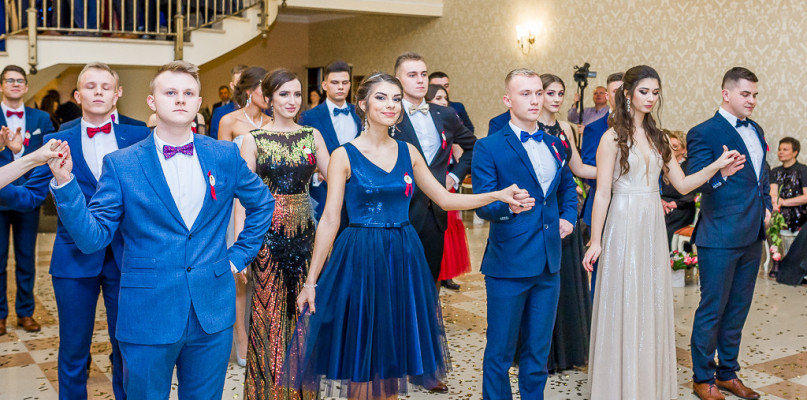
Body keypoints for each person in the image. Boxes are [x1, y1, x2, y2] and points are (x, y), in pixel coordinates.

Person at [288, 71, 528, 400]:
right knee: (362, 354)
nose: (391, 105)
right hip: (360, 255)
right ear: (363, 104)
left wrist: (497, 195)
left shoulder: (409, 152)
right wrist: (311, 281)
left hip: (402, 255)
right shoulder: (344, 154)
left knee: (392, 353)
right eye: (381, 97)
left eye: (396, 99)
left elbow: (445, 199)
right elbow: (330, 218)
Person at [47, 60, 274, 399]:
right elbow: (92, 238)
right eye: (170, 92)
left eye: (188, 93)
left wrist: (237, 256)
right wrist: (65, 184)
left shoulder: (224, 154)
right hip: (147, 313)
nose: (180, 99)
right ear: (152, 102)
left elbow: (263, 203)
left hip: (211, 311)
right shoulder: (122, 164)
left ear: (198, 103)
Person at [582, 65, 745, 400]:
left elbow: (682, 184)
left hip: (652, 224)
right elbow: (602, 193)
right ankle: (619, 386)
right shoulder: (611, 138)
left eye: (655, 92)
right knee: (624, 298)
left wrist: (717, 167)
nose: (651, 98)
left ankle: (645, 384)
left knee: (650, 299)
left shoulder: (658, 138)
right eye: (644, 91)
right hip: (623, 220)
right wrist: (596, 240)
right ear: (628, 94)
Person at [0, 62, 151, 399]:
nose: (98, 92)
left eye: (105, 87)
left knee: (126, 348)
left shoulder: (139, 136)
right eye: (90, 86)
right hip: (73, 258)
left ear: (117, 94)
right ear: (78, 95)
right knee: (73, 351)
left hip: (127, 257)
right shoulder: (57, 140)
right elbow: (31, 195)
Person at [473, 68, 578, 400]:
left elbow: (567, 188)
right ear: (508, 100)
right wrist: (507, 207)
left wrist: (568, 217)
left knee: (537, 353)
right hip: (509, 263)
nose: (535, 100)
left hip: (549, 263)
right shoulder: (488, 146)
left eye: (538, 93)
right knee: (500, 353)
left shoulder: (555, 144)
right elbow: (483, 203)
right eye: (525, 94)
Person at [236, 68, 329, 400]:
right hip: (267, 238)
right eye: (284, 94)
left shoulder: (312, 136)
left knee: (305, 317)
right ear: (269, 99)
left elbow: (337, 178)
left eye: (297, 94)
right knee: (268, 318)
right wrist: (241, 249)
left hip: (306, 236)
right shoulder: (253, 139)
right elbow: (242, 199)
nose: (292, 100)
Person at [687, 67, 773, 400]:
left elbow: (761, 173)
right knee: (712, 309)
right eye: (745, 94)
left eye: (755, 95)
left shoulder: (756, 129)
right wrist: (720, 174)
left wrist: (766, 205)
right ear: (726, 94)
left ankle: (727, 373)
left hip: (753, 233)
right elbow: (694, 182)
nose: (752, 100)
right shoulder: (703, 132)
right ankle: (702, 377)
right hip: (720, 235)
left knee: (738, 309)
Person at [393, 52, 477, 304]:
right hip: (399, 209)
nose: (420, 80)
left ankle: (427, 326)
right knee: (398, 282)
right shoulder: (389, 114)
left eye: (423, 74)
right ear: (398, 79)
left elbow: (474, 148)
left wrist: (454, 176)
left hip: (435, 211)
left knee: (430, 282)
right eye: (412, 75)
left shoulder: (445, 115)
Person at [536, 73, 596, 373]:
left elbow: (579, 168)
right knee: (542, 284)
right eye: (550, 93)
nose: (557, 99)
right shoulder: (528, 127)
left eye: (560, 93)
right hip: (540, 212)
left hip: (565, 212)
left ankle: (567, 351)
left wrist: (617, 171)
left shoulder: (566, 129)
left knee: (566, 282)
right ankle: (542, 354)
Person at [215, 65, 268, 368]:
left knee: (265, 275)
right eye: (264, 88)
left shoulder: (274, 122)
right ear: (250, 91)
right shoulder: (229, 121)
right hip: (235, 204)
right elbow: (222, 168)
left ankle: (265, 338)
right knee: (239, 277)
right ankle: (241, 339)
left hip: (266, 206)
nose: (270, 94)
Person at [0, 64, 55, 336]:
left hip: (28, 198)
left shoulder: (41, 118)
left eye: (20, 80)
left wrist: (20, 150)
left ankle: (25, 312)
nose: (15, 84)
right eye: (10, 80)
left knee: (26, 258)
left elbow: (47, 155)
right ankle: (0, 315)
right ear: (1, 85)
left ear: (26, 86)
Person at [299, 60, 362, 223]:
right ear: (325, 85)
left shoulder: (360, 114)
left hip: (358, 193)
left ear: (349, 85)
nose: (340, 87)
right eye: (335, 83)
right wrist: (315, 174)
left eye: (344, 83)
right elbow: (302, 152)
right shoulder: (309, 116)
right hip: (324, 191)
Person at [426, 83, 469, 291]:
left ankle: (444, 275)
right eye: (438, 98)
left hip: (445, 185)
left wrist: (454, 176)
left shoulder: (449, 121)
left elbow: (467, 149)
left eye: (445, 98)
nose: (444, 102)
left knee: (448, 233)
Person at [661, 129, 698, 246]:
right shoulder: (662, 164)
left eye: (675, 146)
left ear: (684, 149)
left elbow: (693, 193)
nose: (671, 149)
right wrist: (661, 201)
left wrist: (675, 204)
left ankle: (669, 254)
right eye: (670, 146)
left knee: (666, 225)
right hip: (662, 204)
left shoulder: (690, 166)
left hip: (682, 207)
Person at [771, 137, 807, 231]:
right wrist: (776, 202)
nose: (781, 152)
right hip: (779, 220)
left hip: (801, 219)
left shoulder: (803, 170)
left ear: (795, 153)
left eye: (785, 149)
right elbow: (773, 194)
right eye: (779, 149)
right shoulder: (775, 171)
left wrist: (784, 202)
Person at [211, 64, 249, 139]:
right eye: (239, 83)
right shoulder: (220, 112)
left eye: (246, 83)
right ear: (232, 86)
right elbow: (215, 141)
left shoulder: (264, 110)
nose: (243, 87)